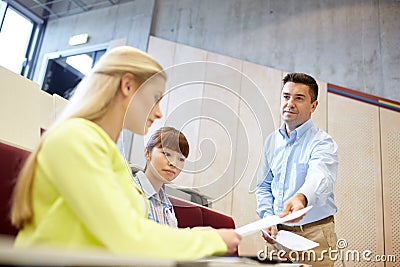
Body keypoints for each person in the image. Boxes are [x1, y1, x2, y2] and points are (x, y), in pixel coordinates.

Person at [10, 46, 241, 260]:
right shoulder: (75, 138)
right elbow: (128, 236)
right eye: (155, 98)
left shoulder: (106, 152)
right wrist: (212, 239)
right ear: (127, 86)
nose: (159, 113)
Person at [256, 73, 338, 267]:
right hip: (277, 236)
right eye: (286, 96)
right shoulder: (271, 141)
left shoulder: (322, 142)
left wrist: (301, 197)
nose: (290, 103)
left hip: (314, 235)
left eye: (299, 98)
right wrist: (268, 218)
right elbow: (264, 187)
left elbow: (321, 175)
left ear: (313, 106)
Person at [133, 126, 189, 227]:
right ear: (147, 153)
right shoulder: (131, 190)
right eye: (167, 154)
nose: (173, 163)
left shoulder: (167, 205)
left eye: (181, 159)